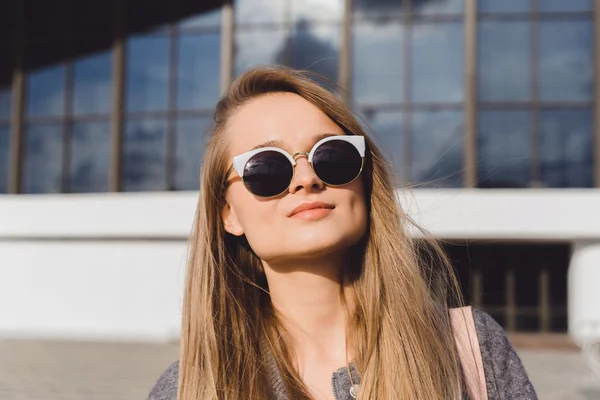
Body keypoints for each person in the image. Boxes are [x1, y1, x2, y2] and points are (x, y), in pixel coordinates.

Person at [148, 66, 537, 400]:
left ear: (365, 183)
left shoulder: (470, 349)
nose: (306, 178)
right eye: (266, 167)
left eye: (332, 156)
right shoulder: (188, 388)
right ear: (228, 213)